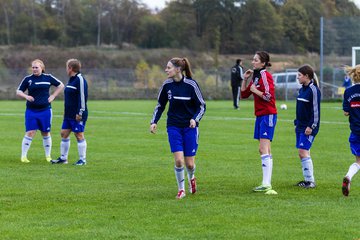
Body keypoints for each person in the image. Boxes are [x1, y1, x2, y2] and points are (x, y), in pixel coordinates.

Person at [150, 57, 206, 199]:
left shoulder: (191, 85)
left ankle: (191, 178)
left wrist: (195, 119)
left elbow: (201, 106)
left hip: (190, 128)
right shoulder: (167, 85)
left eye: (168, 67)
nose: (166, 70)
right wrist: (154, 121)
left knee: (190, 164)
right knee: (179, 161)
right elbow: (160, 105)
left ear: (178, 69)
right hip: (173, 126)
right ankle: (181, 190)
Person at [241, 51, 277, 193]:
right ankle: (266, 183)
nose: (253, 62)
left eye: (256, 60)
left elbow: (269, 96)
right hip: (260, 116)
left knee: (263, 149)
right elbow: (244, 94)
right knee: (265, 149)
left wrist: (255, 90)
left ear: (263, 63)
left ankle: (266, 184)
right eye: (253, 59)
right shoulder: (256, 76)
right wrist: (245, 79)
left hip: (268, 114)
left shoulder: (265, 75)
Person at [16, 59, 64, 163]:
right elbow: (18, 91)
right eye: (33, 67)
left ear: (42, 68)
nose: (34, 69)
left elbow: (61, 85)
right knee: (30, 132)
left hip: (45, 110)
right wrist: (26, 96)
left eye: (36, 67)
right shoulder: (28, 79)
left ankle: (48, 156)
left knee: (46, 132)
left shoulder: (48, 77)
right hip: (31, 111)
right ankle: (23, 157)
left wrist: (53, 96)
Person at [51, 59, 88, 166]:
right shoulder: (71, 80)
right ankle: (63, 159)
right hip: (68, 114)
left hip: (77, 114)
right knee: (64, 133)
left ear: (71, 68)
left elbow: (82, 97)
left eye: (67, 67)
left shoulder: (80, 79)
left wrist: (80, 113)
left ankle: (82, 159)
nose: (66, 69)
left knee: (79, 135)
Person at [294, 65, 321, 189]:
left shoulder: (313, 90)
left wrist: (311, 126)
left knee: (302, 152)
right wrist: (296, 122)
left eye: (299, 75)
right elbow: (301, 109)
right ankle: (307, 180)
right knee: (303, 153)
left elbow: (316, 111)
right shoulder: (302, 89)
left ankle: (310, 181)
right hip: (300, 126)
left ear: (306, 76)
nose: (297, 77)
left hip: (309, 127)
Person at [341, 64, 360, 196]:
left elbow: (346, 112)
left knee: (358, 161)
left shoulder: (348, 92)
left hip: (355, 130)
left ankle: (348, 176)